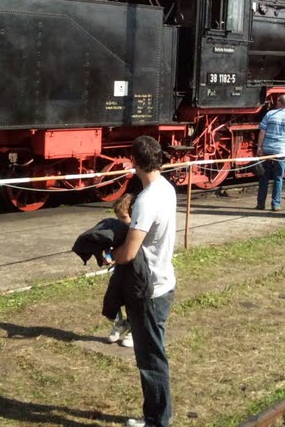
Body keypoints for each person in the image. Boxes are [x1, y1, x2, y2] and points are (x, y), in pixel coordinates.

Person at [112, 135, 177, 427]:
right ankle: (158, 415)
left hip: (149, 288)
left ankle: (156, 421)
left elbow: (128, 253)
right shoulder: (166, 188)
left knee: (151, 361)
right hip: (164, 281)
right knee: (155, 354)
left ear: (134, 161)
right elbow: (148, 235)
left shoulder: (147, 200)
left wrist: (109, 251)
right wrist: (128, 220)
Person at [255, 94, 285, 212]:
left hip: (268, 149)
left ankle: (260, 204)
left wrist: (259, 147)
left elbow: (262, 132)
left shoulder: (270, 114)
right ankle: (275, 204)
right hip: (282, 150)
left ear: (279, 102)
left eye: (277, 100)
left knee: (263, 177)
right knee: (278, 178)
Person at [107, 193, 135, 348]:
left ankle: (133, 329)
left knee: (132, 301)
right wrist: (109, 255)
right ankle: (119, 323)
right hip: (118, 271)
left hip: (133, 272)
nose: (121, 222)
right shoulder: (118, 231)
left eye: (124, 218)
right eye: (118, 218)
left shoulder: (136, 232)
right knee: (111, 300)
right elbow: (112, 247)